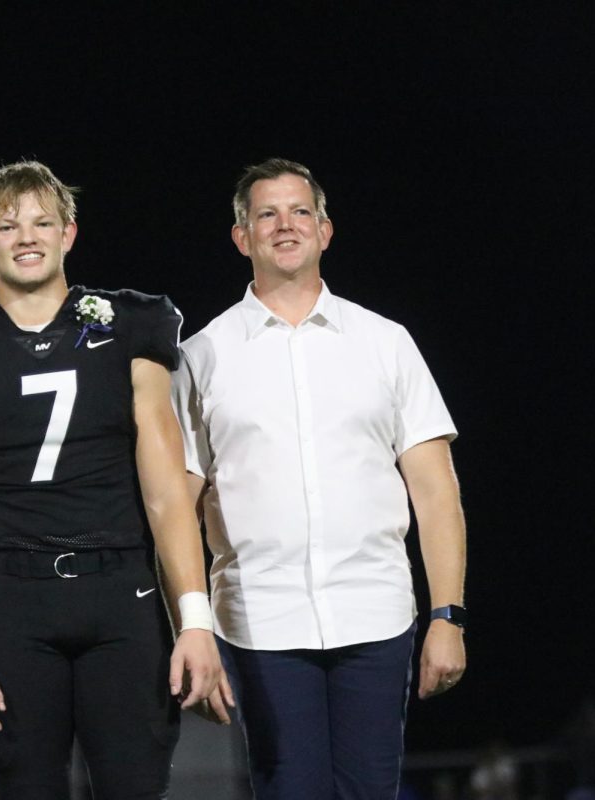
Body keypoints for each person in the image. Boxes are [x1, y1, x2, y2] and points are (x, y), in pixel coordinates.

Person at [0, 160, 230, 799]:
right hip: (11, 600)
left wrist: (193, 620)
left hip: (121, 592)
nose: (27, 236)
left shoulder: (131, 323)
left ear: (68, 233)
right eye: (8, 225)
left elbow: (165, 491)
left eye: (43, 222)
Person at [171, 158, 468, 799]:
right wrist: (189, 630)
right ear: (241, 236)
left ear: (325, 230)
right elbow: (177, 507)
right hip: (259, 623)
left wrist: (448, 615)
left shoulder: (386, 342)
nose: (286, 225)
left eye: (300, 211)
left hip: (376, 613)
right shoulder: (200, 356)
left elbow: (436, 490)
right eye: (267, 214)